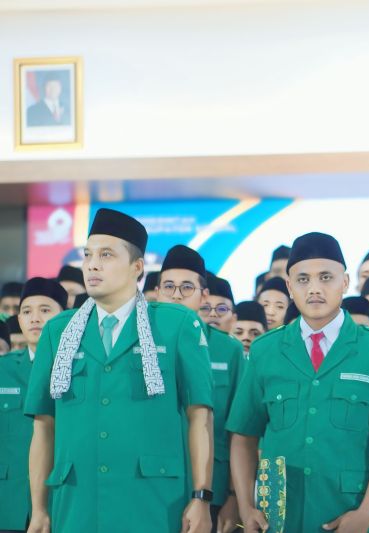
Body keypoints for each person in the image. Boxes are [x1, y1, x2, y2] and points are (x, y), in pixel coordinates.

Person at [24, 208, 215, 533]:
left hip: (153, 504)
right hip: (77, 505)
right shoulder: (58, 331)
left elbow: (200, 416)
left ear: (137, 267)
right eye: (88, 255)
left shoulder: (176, 324)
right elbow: (44, 426)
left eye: (106, 255)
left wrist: (201, 497)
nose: (92, 264)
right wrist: (40, 509)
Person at [226, 231, 369, 533]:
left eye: (326, 277)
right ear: (290, 286)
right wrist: (247, 507)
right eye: (303, 279)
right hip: (278, 519)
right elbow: (243, 436)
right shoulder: (265, 350)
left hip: (350, 514)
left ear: (345, 282)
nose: (314, 288)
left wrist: (366, 514)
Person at [156, 244, 245, 532]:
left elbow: (239, 429)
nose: (176, 295)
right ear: (157, 292)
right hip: (154, 483)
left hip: (213, 488)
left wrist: (234, 496)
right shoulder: (137, 343)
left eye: (186, 287)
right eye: (168, 286)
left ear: (203, 295)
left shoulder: (229, 349)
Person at [0, 277, 67, 533]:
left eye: (45, 310)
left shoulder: (79, 369)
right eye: (27, 311)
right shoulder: (3, 369)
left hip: (59, 503)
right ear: (18, 319)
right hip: (9, 503)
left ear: (65, 317)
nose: (35, 318)